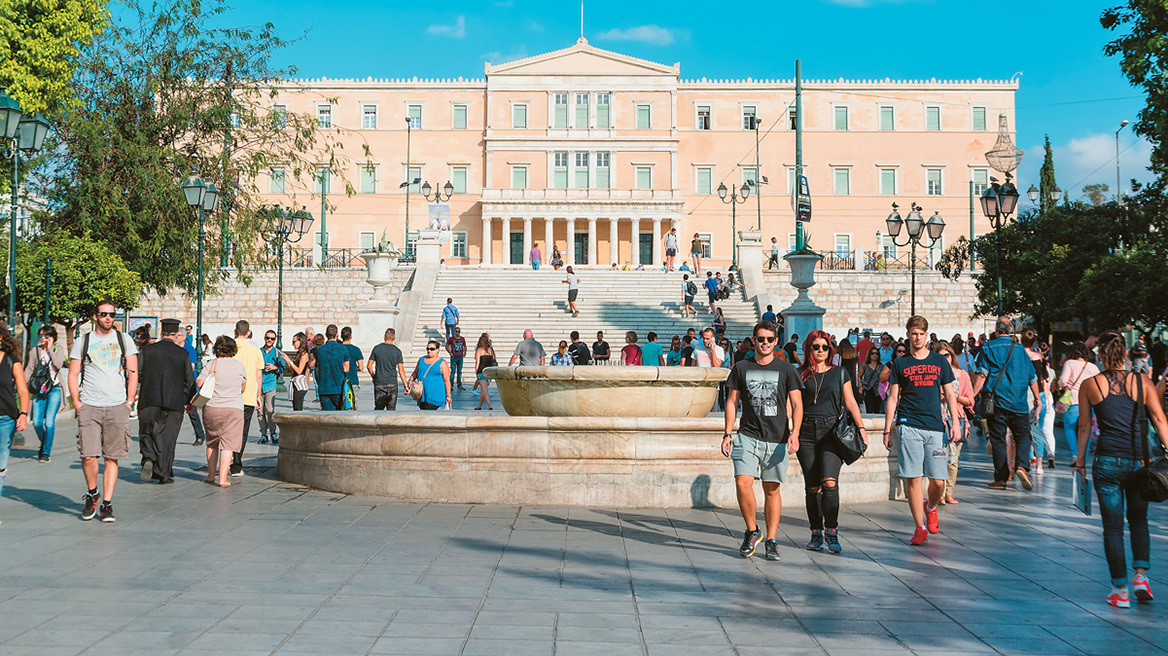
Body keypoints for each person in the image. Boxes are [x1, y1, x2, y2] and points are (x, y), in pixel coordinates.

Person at [1073, 331, 1168, 609]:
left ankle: (1120, 590)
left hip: (1107, 462)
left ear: (1100, 355)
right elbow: (1160, 420)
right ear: (1125, 354)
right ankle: (1141, 577)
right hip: (1140, 462)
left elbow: (1084, 427)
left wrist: (1079, 461)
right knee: (1138, 520)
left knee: (1112, 528)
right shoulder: (1143, 381)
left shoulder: (1090, 385)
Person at [722, 320, 803, 561]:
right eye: (761, 339)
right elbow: (731, 402)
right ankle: (752, 530)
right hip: (747, 434)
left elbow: (797, 404)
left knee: (771, 489)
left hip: (777, 437)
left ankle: (771, 539)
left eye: (770, 339)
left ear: (776, 341)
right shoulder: (742, 367)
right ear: (754, 340)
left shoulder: (787, 369)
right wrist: (727, 433)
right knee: (742, 483)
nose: (765, 343)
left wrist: (795, 432)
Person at [883, 315, 960, 546]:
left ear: (927, 335)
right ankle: (919, 526)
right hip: (909, 424)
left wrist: (955, 423)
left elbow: (949, 394)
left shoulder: (939, 361)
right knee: (913, 478)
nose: (917, 338)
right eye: (913, 333)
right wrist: (888, 429)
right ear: (908, 335)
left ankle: (931, 506)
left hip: (935, 426)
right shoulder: (900, 363)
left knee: (938, 481)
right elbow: (893, 397)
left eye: (921, 334)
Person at [796, 331, 866, 554]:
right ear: (808, 349)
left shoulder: (839, 372)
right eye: (815, 346)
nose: (820, 351)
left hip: (831, 432)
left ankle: (832, 531)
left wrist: (862, 427)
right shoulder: (800, 374)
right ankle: (816, 532)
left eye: (824, 347)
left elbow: (851, 401)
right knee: (812, 486)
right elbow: (793, 405)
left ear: (830, 350)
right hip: (806, 432)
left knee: (829, 482)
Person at [69, 300, 139, 523]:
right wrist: (77, 403)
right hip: (90, 405)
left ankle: (107, 504)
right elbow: (73, 374)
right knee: (88, 455)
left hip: (117, 405)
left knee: (112, 456)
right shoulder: (84, 340)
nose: (108, 318)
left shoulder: (123, 339)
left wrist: (129, 402)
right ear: (95, 316)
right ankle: (92, 493)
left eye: (112, 314)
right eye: (104, 314)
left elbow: (133, 371)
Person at [970, 317, 1040, 491]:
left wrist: (972, 396)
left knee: (998, 439)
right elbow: (1033, 378)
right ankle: (1022, 466)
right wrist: (1037, 398)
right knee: (1023, 436)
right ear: (1011, 330)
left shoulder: (987, 347)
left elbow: (982, 375)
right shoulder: (1021, 350)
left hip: (997, 402)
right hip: (1019, 402)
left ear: (996, 329)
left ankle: (1001, 478)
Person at [137, 319, 196, 485]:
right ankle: (163, 473)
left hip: (148, 399)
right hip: (174, 401)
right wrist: (190, 400)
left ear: (162, 333)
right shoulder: (182, 353)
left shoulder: (148, 351)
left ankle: (148, 458)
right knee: (168, 437)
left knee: (147, 431)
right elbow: (189, 380)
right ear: (176, 335)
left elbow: (138, 373)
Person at [198, 336, 247, 487]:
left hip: (213, 407)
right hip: (234, 408)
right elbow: (243, 387)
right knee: (228, 444)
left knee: (212, 443)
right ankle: (223, 479)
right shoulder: (238, 366)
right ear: (233, 349)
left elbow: (199, 382)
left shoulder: (211, 364)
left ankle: (211, 475)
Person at [934, 341, 974, 505]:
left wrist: (953, 396)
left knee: (953, 459)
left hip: (957, 418)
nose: (944, 358)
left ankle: (948, 492)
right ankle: (939, 493)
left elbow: (970, 400)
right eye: (940, 356)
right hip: (937, 419)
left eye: (947, 355)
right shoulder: (933, 375)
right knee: (938, 458)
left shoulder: (961, 375)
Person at [229, 321, 264, 478]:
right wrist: (258, 395)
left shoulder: (230, 347)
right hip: (248, 395)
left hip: (229, 395)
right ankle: (236, 464)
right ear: (249, 333)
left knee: (228, 429)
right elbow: (258, 374)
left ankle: (226, 456)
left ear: (235, 331)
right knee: (242, 432)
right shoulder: (255, 349)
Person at [0, 324, 29, 508]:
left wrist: (24, 414)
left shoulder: (12, 360)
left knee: (0, 464)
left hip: (5, 419)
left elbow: (23, 391)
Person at [25, 325, 64, 462]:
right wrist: (25, 385)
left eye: (46, 336)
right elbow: (29, 368)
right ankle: (45, 444)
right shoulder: (35, 351)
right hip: (39, 389)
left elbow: (58, 364)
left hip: (54, 389)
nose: (43, 338)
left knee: (49, 422)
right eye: (41, 336)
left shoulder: (59, 349)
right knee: (36, 422)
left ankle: (45, 452)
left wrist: (50, 350)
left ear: (52, 337)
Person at [1057, 342, 1098, 466]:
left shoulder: (1070, 363)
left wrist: (1065, 385)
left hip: (1072, 401)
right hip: (1089, 403)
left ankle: (1075, 454)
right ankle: (1083, 458)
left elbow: (1063, 381)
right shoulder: (1093, 367)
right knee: (1086, 429)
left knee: (1070, 428)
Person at [367, 328, 406, 411]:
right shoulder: (397, 351)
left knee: (379, 408)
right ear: (394, 338)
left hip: (380, 381)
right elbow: (401, 370)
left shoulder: (377, 348)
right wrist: (406, 385)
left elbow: (369, 366)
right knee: (391, 408)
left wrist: (373, 376)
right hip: (392, 382)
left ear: (384, 337)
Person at [313, 324, 349, 411]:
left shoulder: (319, 350)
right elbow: (347, 369)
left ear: (326, 335)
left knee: (327, 416)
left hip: (324, 388)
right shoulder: (343, 350)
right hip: (338, 387)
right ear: (337, 334)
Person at [411, 339, 451, 410]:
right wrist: (410, 381)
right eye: (428, 348)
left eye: (432, 349)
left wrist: (448, 395)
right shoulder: (421, 359)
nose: (429, 351)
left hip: (434, 395)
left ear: (437, 350)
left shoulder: (442, 363)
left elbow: (447, 381)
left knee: (429, 413)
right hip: (421, 395)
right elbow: (415, 373)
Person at [258, 330, 283, 444]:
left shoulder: (277, 353)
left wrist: (275, 367)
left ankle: (273, 432)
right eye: (268, 338)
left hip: (270, 384)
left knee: (270, 410)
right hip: (259, 384)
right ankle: (263, 434)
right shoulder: (258, 352)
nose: (270, 340)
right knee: (259, 411)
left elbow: (282, 368)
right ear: (264, 338)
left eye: (272, 339)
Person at [281, 333, 312, 411]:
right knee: (295, 407)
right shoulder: (299, 353)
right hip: (295, 383)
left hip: (300, 384)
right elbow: (293, 371)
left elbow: (299, 371)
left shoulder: (304, 354)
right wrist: (287, 361)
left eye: (294, 341)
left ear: (300, 341)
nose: (292, 344)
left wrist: (289, 360)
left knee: (298, 408)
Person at [340, 326, 364, 407]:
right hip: (353, 380)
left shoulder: (338, 349)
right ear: (351, 336)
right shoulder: (356, 349)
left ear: (341, 336)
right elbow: (361, 367)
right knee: (354, 404)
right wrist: (354, 368)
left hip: (340, 380)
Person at [472, 333, 497, 410]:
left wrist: (476, 370)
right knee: (483, 390)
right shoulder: (490, 350)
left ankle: (489, 406)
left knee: (485, 390)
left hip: (481, 371)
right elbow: (494, 359)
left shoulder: (479, 350)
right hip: (489, 371)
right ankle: (479, 406)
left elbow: (478, 362)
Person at [859, 347, 883, 413]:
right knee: (869, 409)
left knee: (877, 410)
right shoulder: (864, 365)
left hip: (878, 390)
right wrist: (861, 387)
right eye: (872, 353)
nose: (874, 355)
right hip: (868, 389)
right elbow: (859, 376)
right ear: (869, 355)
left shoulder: (881, 366)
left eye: (876, 353)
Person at [445, 326, 466, 391]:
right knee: (453, 372)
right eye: (456, 331)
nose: (457, 332)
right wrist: (450, 353)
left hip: (460, 357)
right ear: (454, 332)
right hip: (454, 357)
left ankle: (459, 384)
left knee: (459, 371)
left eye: (458, 331)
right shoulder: (451, 338)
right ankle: (451, 385)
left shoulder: (462, 338)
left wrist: (465, 352)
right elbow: (447, 345)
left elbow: (465, 345)